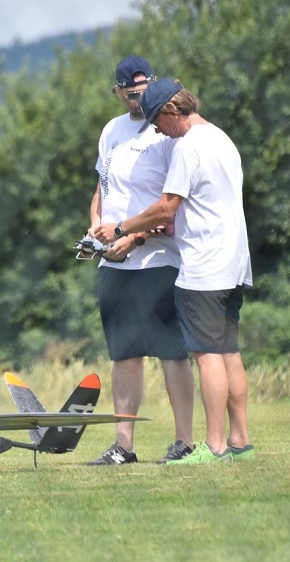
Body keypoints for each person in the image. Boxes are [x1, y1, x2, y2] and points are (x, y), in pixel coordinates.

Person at [107, 78, 255, 464]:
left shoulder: (188, 147)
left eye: (158, 120)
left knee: (207, 355)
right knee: (230, 352)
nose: (156, 129)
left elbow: (166, 207)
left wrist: (122, 228)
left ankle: (215, 447)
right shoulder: (222, 138)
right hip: (235, 259)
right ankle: (241, 443)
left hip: (204, 263)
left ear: (173, 111)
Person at [84, 56, 196, 466]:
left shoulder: (165, 130)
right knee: (123, 355)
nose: (138, 99)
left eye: (143, 90)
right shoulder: (111, 130)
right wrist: (96, 225)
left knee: (172, 353)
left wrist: (133, 237)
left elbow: (172, 203)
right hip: (113, 264)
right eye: (130, 93)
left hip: (158, 262)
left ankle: (184, 441)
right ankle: (123, 446)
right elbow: (103, 185)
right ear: (116, 92)